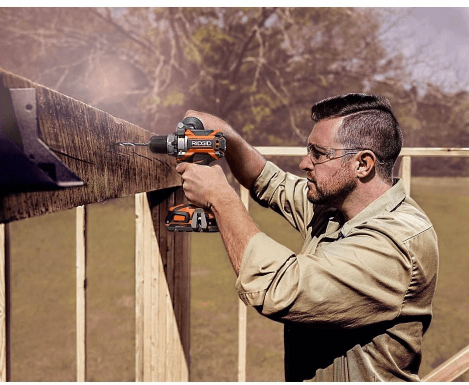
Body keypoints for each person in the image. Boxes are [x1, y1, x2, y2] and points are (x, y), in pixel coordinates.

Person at [176, 93, 438, 382]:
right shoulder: (338, 208)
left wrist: (220, 198)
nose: (304, 163)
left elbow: (278, 288)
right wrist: (225, 134)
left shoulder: (394, 243)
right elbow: (268, 181)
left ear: (363, 164)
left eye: (319, 153)